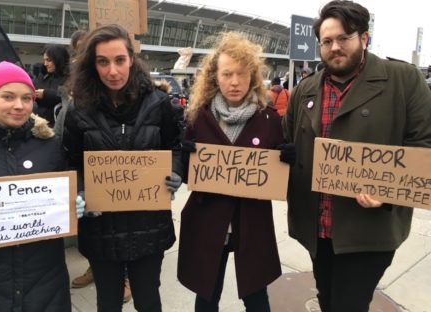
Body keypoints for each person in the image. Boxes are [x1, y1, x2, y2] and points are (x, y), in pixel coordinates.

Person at [282, 1, 431, 312]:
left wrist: (387, 189)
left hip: (368, 230)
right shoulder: (305, 90)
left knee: (348, 305)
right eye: (327, 41)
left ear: (364, 38)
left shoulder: (403, 80)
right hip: (316, 229)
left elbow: (424, 144)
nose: (335, 47)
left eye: (344, 38)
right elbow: (285, 143)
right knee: (328, 300)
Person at [62, 24, 183, 312]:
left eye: (119, 60)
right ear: (93, 64)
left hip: (148, 226)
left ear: (131, 58)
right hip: (100, 227)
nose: (112, 71)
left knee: (148, 300)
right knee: (108, 302)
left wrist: (176, 171)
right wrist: (79, 190)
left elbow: (176, 146)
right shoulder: (79, 109)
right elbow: (69, 159)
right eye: (102, 62)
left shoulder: (158, 103)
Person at [177, 32, 295, 312]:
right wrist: (184, 160)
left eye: (241, 74)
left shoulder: (268, 118)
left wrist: (287, 158)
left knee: (256, 298)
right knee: (206, 297)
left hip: (250, 223)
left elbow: (278, 175)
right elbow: (188, 175)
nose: (234, 82)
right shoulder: (199, 116)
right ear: (215, 77)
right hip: (209, 222)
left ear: (252, 76)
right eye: (227, 73)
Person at [0, 61, 85, 312]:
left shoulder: (49, 145)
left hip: (44, 280)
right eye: (8, 96)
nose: (19, 105)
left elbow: (70, 178)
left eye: (27, 98)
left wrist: (77, 196)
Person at [34, 44, 70, 127]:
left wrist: (46, 94)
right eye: (44, 60)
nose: (45, 64)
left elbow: (68, 96)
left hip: (59, 126)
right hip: (39, 124)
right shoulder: (42, 76)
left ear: (58, 60)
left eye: (48, 60)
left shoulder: (71, 76)